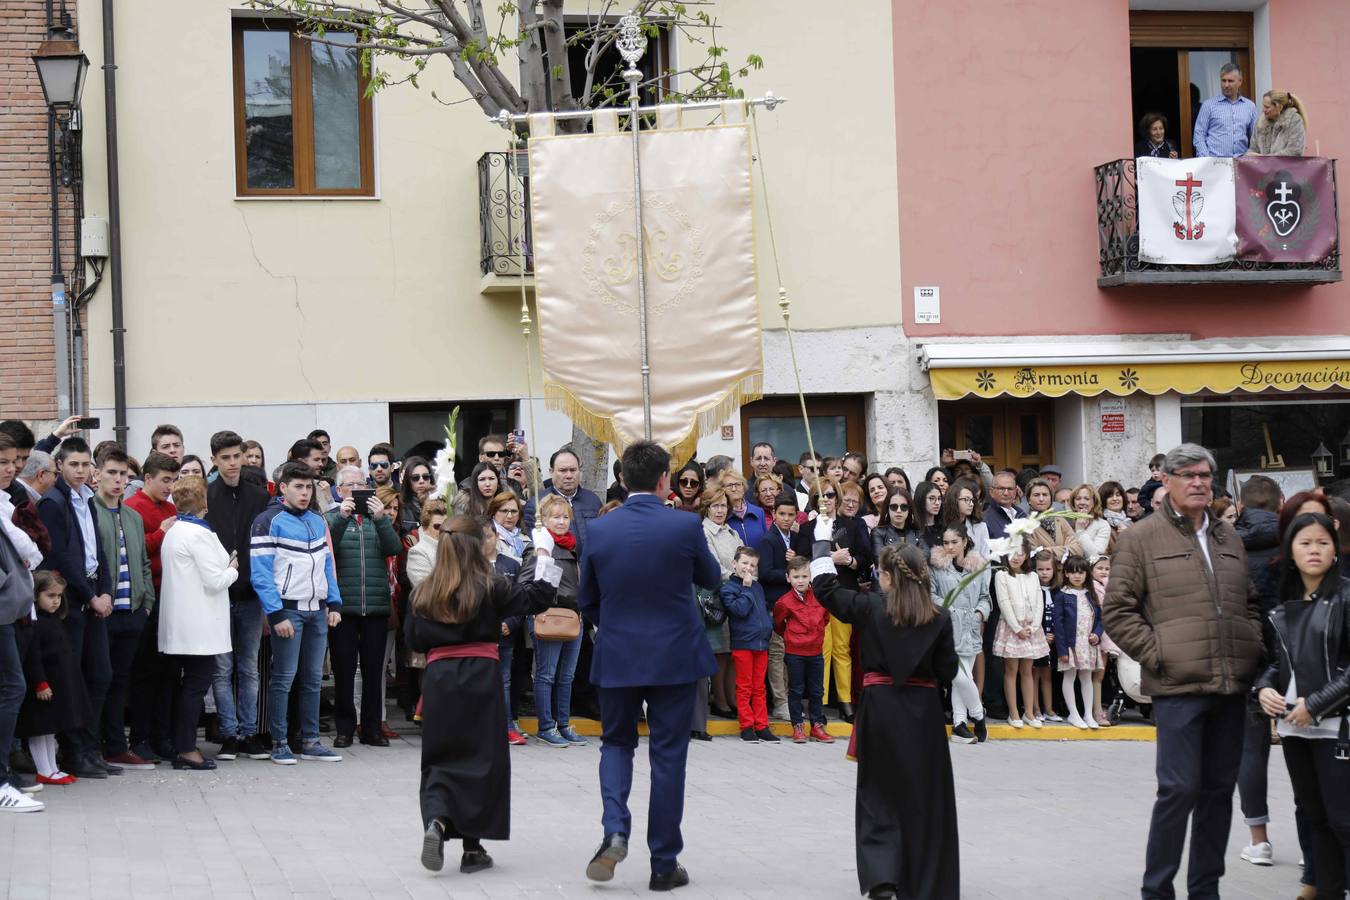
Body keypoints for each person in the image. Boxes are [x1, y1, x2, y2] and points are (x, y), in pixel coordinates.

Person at [1103, 443, 1261, 900]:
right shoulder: (1141, 537)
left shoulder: (1229, 537)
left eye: (1205, 475)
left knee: (1217, 792)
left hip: (1230, 683)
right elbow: (1118, 610)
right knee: (1178, 789)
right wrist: (1159, 654)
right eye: (1188, 475)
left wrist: (1249, 646)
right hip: (1177, 685)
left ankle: (1205, 889)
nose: (1198, 482)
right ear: (1166, 482)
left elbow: (1249, 602)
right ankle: (1157, 890)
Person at [577, 440, 721, 892]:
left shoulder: (599, 531)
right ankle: (663, 863)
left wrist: (616, 627)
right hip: (675, 656)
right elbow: (712, 579)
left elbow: (588, 601)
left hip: (618, 653)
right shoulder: (684, 524)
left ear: (622, 480)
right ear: (665, 481)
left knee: (616, 745)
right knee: (668, 757)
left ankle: (615, 829)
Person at [407, 514, 557, 875]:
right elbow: (539, 597)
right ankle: (473, 849)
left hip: (441, 679)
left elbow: (413, 641)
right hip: (482, 676)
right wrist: (543, 554)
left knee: (442, 756)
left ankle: (438, 819)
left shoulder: (423, 591)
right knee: (482, 759)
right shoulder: (491, 585)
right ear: (475, 547)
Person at [811, 541, 960, 900]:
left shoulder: (870, 607)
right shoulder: (939, 617)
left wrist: (822, 547)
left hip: (880, 709)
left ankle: (882, 877)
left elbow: (826, 590)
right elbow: (948, 671)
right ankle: (922, 879)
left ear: (889, 577)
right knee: (923, 796)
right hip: (923, 713)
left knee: (878, 793)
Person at [1253, 512, 1349, 899]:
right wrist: (1263, 690)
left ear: (1335, 551)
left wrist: (1319, 704)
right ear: (1290, 552)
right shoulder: (1284, 605)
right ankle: (1327, 890)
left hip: (1338, 727)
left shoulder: (1346, 596)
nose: (1314, 550)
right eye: (1305, 543)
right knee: (1315, 817)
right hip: (1296, 727)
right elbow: (1277, 663)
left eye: (1322, 543)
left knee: (1344, 819)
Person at [251, 461, 344, 765]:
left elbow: (327, 564)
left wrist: (334, 603)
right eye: (299, 487)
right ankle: (279, 743)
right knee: (284, 678)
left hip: (317, 610)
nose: (305, 493)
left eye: (309, 487)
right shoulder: (268, 520)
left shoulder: (318, 521)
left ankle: (311, 740)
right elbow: (261, 573)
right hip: (288, 609)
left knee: (313, 679)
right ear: (283, 488)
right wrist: (275, 614)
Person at [36, 437, 115, 779]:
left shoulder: (89, 500)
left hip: (94, 597)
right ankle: (73, 751)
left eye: (85, 465)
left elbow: (97, 548)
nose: (80, 471)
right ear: (60, 466)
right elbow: (62, 557)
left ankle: (89, 746)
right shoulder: (53, 502)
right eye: (74, 465)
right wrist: (89, 596)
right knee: (71, 680)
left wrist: (107, 591)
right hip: (72, 601)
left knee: (100, 675)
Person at [158, 476, 238, 770]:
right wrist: (233, 569)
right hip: (199, 625)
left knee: (187, 686)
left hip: (180, 622)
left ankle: (182, 744)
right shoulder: (198, 534)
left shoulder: (176, 530)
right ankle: (187, 748)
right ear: (203, 501)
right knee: (195, 686)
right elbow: (215, 580)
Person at [204, 431, 272, 761]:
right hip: (215, 593)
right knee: (221, 667)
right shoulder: (206, 495)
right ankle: (228, 734)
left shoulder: (259, 496)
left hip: (249, 594)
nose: (232, 464)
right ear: (214, 460)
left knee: (248, 667)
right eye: (225, 458)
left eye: (236, 456)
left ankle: (248, 732)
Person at [88, 447, 157, 770]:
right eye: (112, 473)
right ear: (98, 473)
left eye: (124, 475)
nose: (118, 480)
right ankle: (90, 747)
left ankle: (116, 746)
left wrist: (145, 604)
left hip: (133, 612)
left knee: (120, 681)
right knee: (98, 679)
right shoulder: (89, 510)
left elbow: (142, 562)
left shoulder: (131, 514)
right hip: (103, 612)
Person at [326, 466, 401, 749]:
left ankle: (372, 729)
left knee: (373, 672)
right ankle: (344, 729)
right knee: (343, 672)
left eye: (361, 484)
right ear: (339, 489)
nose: (356, 489)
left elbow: (393, 548)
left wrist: (381, 518)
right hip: (343, 609)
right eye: (350, 485)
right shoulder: (332, 518)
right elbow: (326, 546)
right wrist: (342, 518)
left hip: (376, 608)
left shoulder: (376, 520)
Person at [125, 451, 181, 763]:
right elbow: (136, 550)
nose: (169, 486)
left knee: (168, 672)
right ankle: (140, 737)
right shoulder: (134, 507)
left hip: (171, 597)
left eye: (173, 480)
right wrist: (161, 533)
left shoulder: (170, 507)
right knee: (145, 673)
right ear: (147, 478)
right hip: (148, 597)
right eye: (164, 480)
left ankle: (164, 736)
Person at [520, 494, 585, 748]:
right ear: (544, 519)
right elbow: (526, 582)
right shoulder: (539, 547)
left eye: (565, 517)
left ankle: (564, 723)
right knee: (546, 674)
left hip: (573, 616)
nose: (561, 522)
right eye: (555, 517)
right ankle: (546, 725)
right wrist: (538, 607)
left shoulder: (572, 546)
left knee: (567, 675)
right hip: (549, 614)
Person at [16, 570, 82, 788]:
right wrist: (40, 682)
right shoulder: (34, 623)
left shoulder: (53, 620)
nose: (56, 601)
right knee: (39, 728)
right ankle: (44, 770)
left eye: (59, 596)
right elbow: (33, 657)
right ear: (35, 595)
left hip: (55, 683)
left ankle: (52, 768)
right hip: (43, 685)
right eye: (50, 596)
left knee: (50, 728)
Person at [929, 526, 990, 745]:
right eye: (946, 542)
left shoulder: (978, 566)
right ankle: (979, 715)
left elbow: (985, 597)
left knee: (962, 681)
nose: (950, 547)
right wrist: (948, 612)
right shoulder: (937, 567)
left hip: (970, 629)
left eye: (954, 542)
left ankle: (959, 724)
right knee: (959, 676)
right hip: (947, 629)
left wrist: (979, 614)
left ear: (965, 542)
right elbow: (932, 596)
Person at [757, 493, 811, 721]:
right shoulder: (768, 540)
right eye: (782, 514)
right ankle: (780, 702)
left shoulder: (796, 538)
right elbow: (765, 573)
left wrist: (797, 561)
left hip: (796, 606)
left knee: (792, 654)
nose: (787, 519)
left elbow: (805, 564)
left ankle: (792, 699)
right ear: (773, 514)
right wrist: (790, 573)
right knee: (777, 654)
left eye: (791, 514)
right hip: (776, 605)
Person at [720, 546, 777, 743]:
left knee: (759, 687)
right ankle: (746, 726)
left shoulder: (758, 587)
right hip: (743, 643)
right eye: (744, 563)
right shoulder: (729, 588)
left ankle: (762, 726)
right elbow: (739, 611)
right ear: (734, 564)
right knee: (744, 687)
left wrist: (769, 627)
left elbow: (762, 611)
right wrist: (745, 587)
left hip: (761, 643)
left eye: (753, 565)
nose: (748, 568)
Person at [773, 556, 832, 744]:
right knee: (796, 690)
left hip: (815, 651)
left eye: (804, 576)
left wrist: (817, 633)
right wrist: (792, 638)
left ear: (810, 577)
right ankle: (797, 726)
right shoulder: (784, 602)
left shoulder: (819, 597)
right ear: (788, 578)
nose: (800, 580)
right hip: (795, 653)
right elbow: (778, 624)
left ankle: (816, 726)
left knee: (817, 690)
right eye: (796, 576)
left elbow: (826, 618)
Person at [992, 540, 1049, 729]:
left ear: (1026, 555)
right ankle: (1014, 712)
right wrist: (1017, 628)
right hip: (1012, 628)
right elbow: (1004, 602)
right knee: (1011, 670)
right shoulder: (1001, 575)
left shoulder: (1032, 576)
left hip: (1031, 628)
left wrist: (1033, 627)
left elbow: (1039, 602)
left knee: (1028, 670)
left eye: (1020, 553)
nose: (1016, 557)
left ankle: (1029, 713)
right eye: (1012, 552)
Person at [701, 487, 741, 721]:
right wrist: (737, 578)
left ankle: (731, 697)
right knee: (719, 650)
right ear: (707, 508)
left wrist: (747, 575)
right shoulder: (704, 531)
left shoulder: (732, 532)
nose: (720, 510)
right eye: (715, 506)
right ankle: (720, 699)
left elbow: (745, 556)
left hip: (736, 594)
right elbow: (714, 566)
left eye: (723, 506)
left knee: (732, 650)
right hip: (716, 596)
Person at [1051, 555, 1103, 731]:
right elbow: (1058, 624)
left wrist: (1097, 634)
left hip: (1088, 645)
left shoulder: (1091, 594)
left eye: (1081, 572)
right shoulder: (1062, 595)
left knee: (1087, 677)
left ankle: (1088, 714)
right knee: (1070, 676)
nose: (1077, 576)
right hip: (1071, 644)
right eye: (1073, 572)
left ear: (1086, 574)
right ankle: (1073, 713)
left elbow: (1100, 619)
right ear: (1065, 574)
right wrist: (1062, 649)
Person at [521, 448, 603, 545]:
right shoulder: (537, 504)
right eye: (563, 470)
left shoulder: (593, 500)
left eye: (573, 470)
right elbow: (534, 544)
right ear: (551, 472)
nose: (569, 475)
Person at [1193, 62, 1258, 158]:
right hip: (1214, 164)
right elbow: (1199, 135)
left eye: (1230, 81)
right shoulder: (1208, 105)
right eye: (1223, 80)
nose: (1226, 85)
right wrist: (1206, 159)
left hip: (1241, 164)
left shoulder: (1250, 106)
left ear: (1240, 81)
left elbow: (1255, 137)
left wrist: (1249, 157)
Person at [1031, 549, 1061, 723]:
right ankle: (1035, 709)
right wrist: (1041, 634)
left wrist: (1055, 634)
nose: (1044, 573)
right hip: (1036, 638)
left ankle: (1049, 709)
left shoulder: (1058, 591)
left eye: (1047, 569)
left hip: (1053, 641)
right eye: (1040, 569)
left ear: (1054, 570)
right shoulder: (1033, 589)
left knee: (1047, 675)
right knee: (1034, 674)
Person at [939, 477, 990, 559]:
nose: (971, 504)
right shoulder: (941, 526)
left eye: (972, 500)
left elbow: (986, 560)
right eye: (966, 500)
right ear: (954, 500)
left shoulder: (980, 527)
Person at [1247, 90, 1308, 156]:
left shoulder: (1294, 120)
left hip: (1287, 166)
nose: (1263, 110)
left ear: (1279, 107)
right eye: (1263, 106)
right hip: (1263, 166)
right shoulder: (1259, 123)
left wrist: (1265, 158)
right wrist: (1250, 155)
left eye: (1267, 107)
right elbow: (1253, 149)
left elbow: (1295, 151)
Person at [718, 469, 766, 549]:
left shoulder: (759, 512)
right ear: (722, 490)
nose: (734, 489)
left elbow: (766, 542)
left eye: (737, 484)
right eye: (729, 485)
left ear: (743, 488)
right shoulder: (722, 515)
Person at [1067, 483, 1112, 558]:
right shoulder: (1067, 522)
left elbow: (1095, 555)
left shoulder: (1103, 525)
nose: (1082, 502)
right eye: (1078, 499)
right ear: (1073, 502)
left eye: (1087, 499)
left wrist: (1080, 531)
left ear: (1094, 502)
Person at [871, 488, 916, 559]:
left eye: (904, 507)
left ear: (909, 510)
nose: (899, 510)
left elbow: (923, 559)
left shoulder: (917, 532)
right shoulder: (878, 532)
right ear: (887, 509)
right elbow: (880, 560)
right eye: (894, 506)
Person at [398, 457, 435, 537]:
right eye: (415, 478)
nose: (421, 481)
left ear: (430, 479)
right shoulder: (399, 505)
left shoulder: (440, 503)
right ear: (407, 480)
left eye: (425, 477)